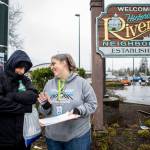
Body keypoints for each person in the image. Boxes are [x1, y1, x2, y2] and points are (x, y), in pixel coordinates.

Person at [38, 53, 97, 150]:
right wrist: (45, 106)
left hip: (77, 137)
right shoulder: (49, 84)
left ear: (64, 63)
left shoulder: (82, 83)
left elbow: (92, 104)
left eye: (53, 64)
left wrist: (79, 110)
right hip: (53, 138)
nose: (51, 67)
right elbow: (43, 110)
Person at [0, 50, 38, 150]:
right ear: (13, 63)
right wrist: (25, 107)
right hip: (4, 138)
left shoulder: (25, 80)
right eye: (20, 67)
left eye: (25, 69)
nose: (22, 71)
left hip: (23, 137)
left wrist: (11, 96)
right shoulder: (1, 78)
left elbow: (33, 96)